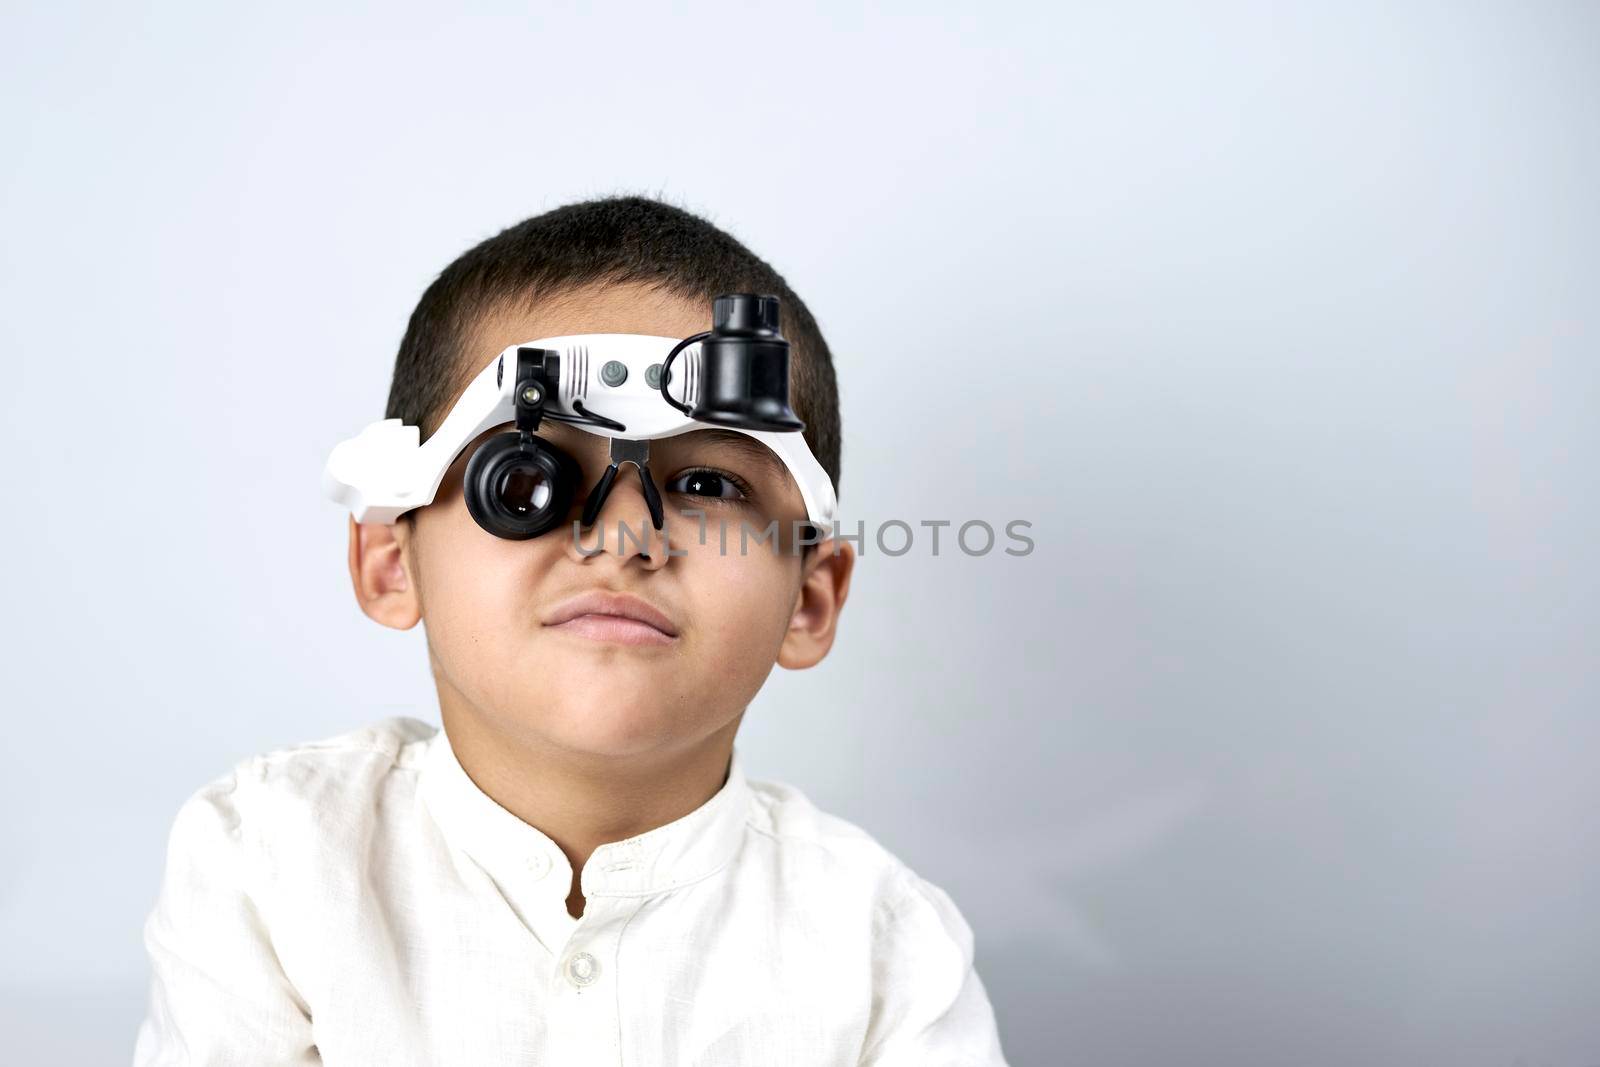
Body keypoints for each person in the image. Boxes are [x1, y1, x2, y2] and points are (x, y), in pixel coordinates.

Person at [132, 195, 1010, 1065]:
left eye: (708, 485)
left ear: (811, 599)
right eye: (526, 477)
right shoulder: (272, 871)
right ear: (390, 560)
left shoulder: (890, 957)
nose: (623, 537)